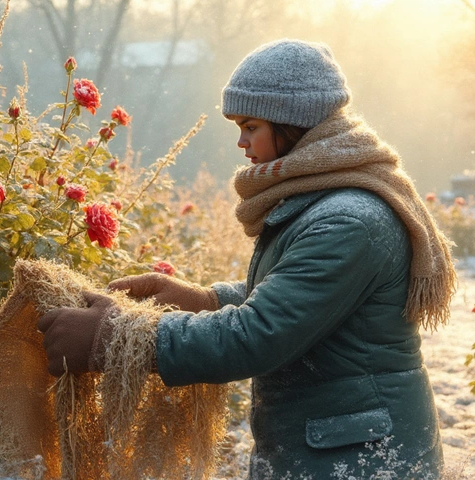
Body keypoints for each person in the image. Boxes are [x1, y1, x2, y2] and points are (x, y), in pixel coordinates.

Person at [37, 39, 456, 478]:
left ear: (294, 123)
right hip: (334, 446)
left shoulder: (348, 221)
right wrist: (205, 300)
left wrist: (114, 336)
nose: (241, 141)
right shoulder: (326, 199)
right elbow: (299, 298)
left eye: (250, 125)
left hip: (361, 459)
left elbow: (258, 336)